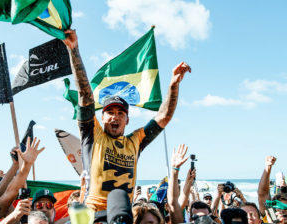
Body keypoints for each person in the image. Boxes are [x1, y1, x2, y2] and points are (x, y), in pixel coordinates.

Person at [63, 29, 192, 211]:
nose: (115, 117)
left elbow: (164, 117)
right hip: (93, 216)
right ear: (102, 117)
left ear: (127, 120)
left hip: (124, 217)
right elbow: (85, 95)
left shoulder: (135, 141)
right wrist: (73, 50)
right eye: (110, 112)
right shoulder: (93, 134)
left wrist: (173, 85)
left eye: (120, 113)